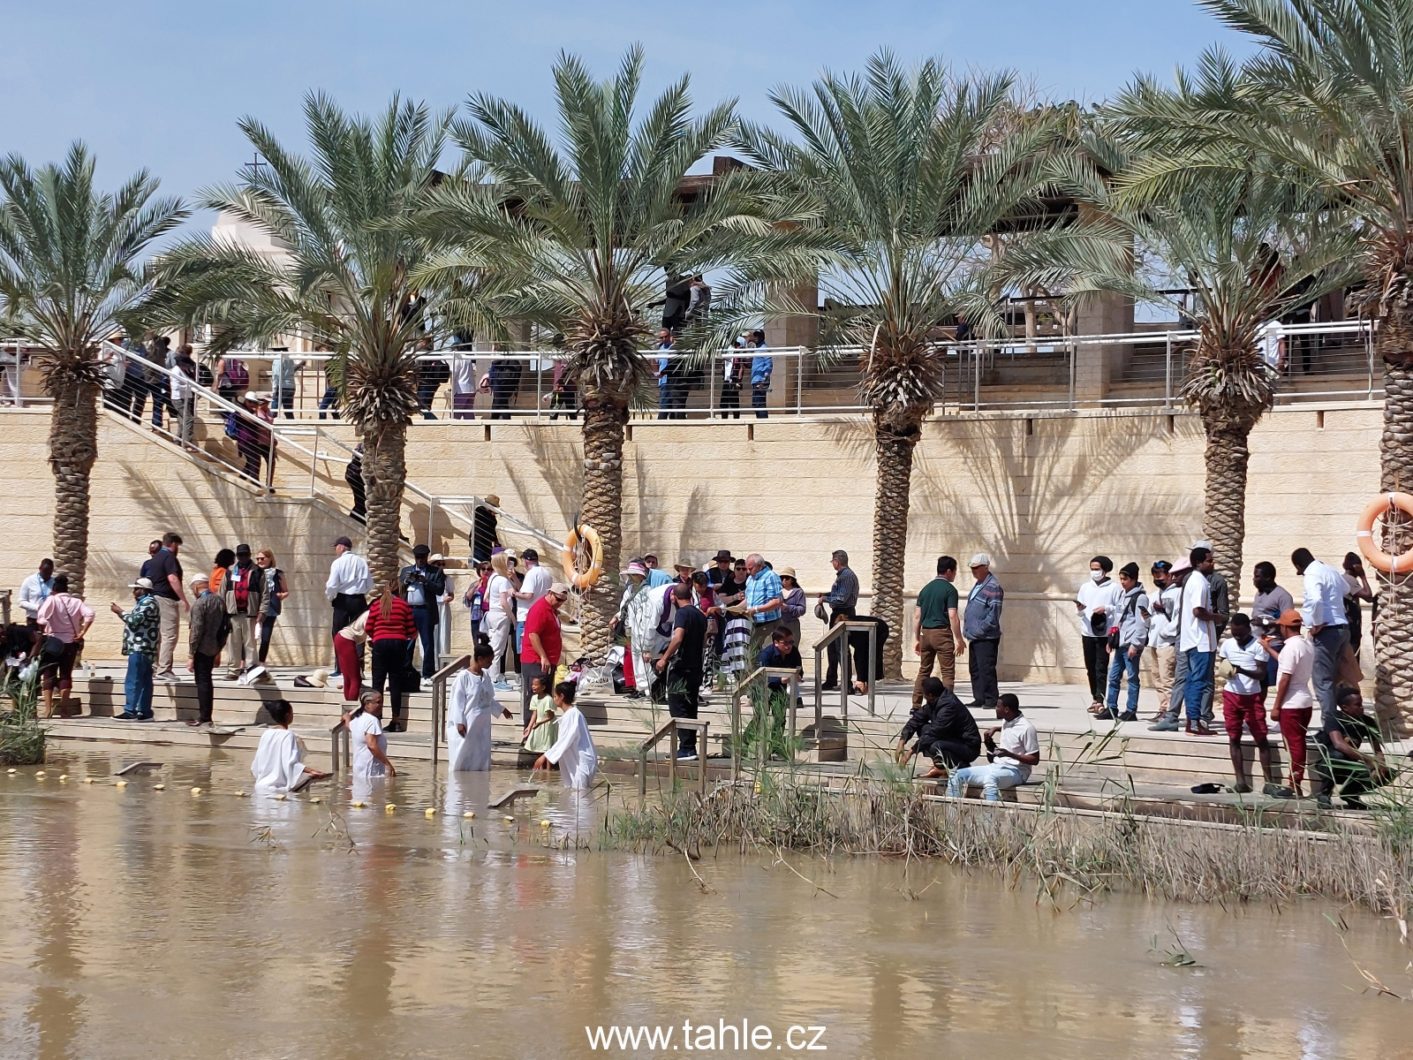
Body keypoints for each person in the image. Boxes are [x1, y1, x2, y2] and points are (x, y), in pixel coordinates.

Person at [1217, 613, 1285, 795]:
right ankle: (1240, 781)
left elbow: (1261, 674)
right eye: (1234, 633)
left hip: (1252, 696)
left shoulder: (1258, 646)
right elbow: (1223, 664)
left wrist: (1241, 670)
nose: (1237, 637)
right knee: (1234, 737)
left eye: (1241, 633)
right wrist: (1226, 671)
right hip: (1231, 695)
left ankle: (1269, 781)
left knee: (1261, 737)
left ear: (1248, 629)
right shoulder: (1227, 644)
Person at [1292, 547, 1350, 728]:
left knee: (1322, 682)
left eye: (1298, 569)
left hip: (1326, 631)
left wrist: (1316, 623)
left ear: (1299, 565)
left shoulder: (1312, 574)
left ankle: (1330, 730)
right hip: (1342, 628)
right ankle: (1338, 725)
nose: (1299, 573)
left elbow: (1316, 599)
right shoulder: (1329, 569)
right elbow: (1347, 588)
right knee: (1333, 680)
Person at [946, 694, 1041, 801]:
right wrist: (995, 729)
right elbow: (1013, 730)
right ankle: (951, 815)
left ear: (1006, 709)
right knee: (956, 775)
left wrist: (1009, 754)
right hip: (998, 766)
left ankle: (990, 816)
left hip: (1017, 771)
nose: (995, 709)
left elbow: (1035, 759)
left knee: (990, 779)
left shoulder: (1027, 728)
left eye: (997, 706)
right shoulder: (1007, 720)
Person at [1262, 609, 1315, 797]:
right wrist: (1268, 649)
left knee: (1294, 745)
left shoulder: (1291, 647)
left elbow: (1285, 677)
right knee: (1296, 742)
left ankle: (1294, 783)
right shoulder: (1306, 644)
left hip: (1291, 704)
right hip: (1304, 701)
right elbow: (1286, 663)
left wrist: (1276, 706)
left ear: (1284, 627)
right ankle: (1295, 781)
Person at [1313, 686, 1392, 810]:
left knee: (1389, 773)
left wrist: (1380, 762)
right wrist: (1368, 760)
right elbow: (1339, 744)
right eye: (1357, 705)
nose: (1362, 707)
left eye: (1361, 704)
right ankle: (1324, 793)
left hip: (1352, 764)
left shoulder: (1367, 722)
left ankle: (1350, 795)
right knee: (1337, 756)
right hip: (1328, 763)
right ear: (1345, 708)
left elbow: (1377, 750)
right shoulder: (1334, 718)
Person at [656, 583, 708, 761]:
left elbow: (678, 638)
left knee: (678, 706)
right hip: (696, 667)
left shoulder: (682, 613)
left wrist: (664, 658)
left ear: (673, 597)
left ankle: (686, 748)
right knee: (691, 706)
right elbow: (704, 642)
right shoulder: (700, 615)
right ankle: (690, 747)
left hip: (682, 667)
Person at [35, 572, 94, 718]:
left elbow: (41, 619)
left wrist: (43, 634)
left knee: (48, 675)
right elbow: (90, 614)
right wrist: (81, 633)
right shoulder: (76, 602)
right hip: (70, 643)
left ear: (54, 589)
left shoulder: (52, 600)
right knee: (66, 675)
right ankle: (64, 710)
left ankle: (48, 710)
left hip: (53, 641)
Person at [1179, 546, 1223, 737]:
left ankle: (1193, 720)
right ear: (1198, 562)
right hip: (1200, 640)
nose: (1212, 564)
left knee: (1193, 680)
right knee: (1198, 681)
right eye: (1209, 560)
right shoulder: (1198, 582)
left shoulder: (1197, 580)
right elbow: (1198, 611)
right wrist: (1217, 617)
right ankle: (1195, 723)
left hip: (1196, 640)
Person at [447, 643, 511, 771]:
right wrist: (459, 722)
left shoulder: (485, 676)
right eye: (488, 661)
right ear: (480, 659)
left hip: (482, 725)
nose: (490, 664)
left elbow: (487, 699)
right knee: (462, 756)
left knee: (481, 756)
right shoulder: (463, 677)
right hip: (467, 724)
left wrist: (501, 709)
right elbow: (457, 702)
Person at [1101, 563, 1150, 722]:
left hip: (1130, 644)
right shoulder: (1123, 595)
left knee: (1132, 677)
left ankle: (1131, 709)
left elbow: (1142, 623)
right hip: (1120, 643)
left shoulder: (1140, 597)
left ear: (1134, 579)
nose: (1122, 582)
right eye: (1121, 579)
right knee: (1113, 676)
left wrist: (1136, 644)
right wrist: (1111, 639)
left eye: (1126, 579)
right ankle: (1111, 707)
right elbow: (1117, 618)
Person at [913, 555, 963, 706]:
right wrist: (959, 639)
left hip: (925, 634)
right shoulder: (950, 590)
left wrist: (916, 639)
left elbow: (917, 616)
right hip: (942, 634)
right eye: (954, 571)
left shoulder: (925, 589)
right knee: (947, 672)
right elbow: (953, 616)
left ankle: (916, 705)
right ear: (948, 571)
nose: (954, 574)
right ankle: (945, 706)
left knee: (924, 671)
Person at [1076, 555, 1123, 713]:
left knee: (1101, 667)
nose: (1094, 572)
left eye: (1097, 569)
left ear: (1105, 570)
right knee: (1090, 667)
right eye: (1092, 569)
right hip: (1087, 632)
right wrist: (1081, 610)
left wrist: (1106, 608)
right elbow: (1081, 610)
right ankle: (1094, 697)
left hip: (1105, 633)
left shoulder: (1114, 588)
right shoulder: (1085, 587)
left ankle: (1100, 698)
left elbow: (1120, 609)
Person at [367, 583, 415, 733]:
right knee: (395, 682)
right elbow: (412, 630)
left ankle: (376, 720)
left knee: (377, 682)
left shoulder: (376, 605)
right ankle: (396, 721)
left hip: (380, 643)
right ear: (398, 590)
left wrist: (377, 635)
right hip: (398, 644)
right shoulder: (403, 605)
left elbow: (368, 627)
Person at [251, 700, 328, 794]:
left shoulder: (266, 734)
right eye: (292, 713)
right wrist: (312, 771)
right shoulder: (288, 735)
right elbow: (291, 763)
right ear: (287, 715)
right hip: (277, 789)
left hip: (260, 787)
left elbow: (255, 765)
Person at [911, 679, 981, 780]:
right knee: (923, 729)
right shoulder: (935, 701)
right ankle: (941, 766)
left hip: (968, 746)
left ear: (930, 695)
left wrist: (912, 750)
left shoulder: (948, 706)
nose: (924, 697)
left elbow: (935, 732)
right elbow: (917, 718)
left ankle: (959, 766)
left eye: (924, 694)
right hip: (955, 739)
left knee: (935, 745)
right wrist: (903, 739)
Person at [533, 681, 598, 789]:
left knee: (580, 796)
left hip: (581, 763)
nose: (553, 699)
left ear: (561, 696)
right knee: (572, 794)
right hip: (575, 760)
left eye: (555, 696)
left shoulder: (572, 715)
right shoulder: (570, 714)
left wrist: (545, 756)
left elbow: (565, 740)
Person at [111, 577, 159, 721]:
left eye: (136, 589)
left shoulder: (149, 603)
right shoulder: (145, 603)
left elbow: (135, 620)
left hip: (141, 647)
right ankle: (143, 711)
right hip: (143, 648)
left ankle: (130, 710)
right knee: (144, 680)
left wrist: (120, 611)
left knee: (134, 679)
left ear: (143, 590)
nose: (134, 592)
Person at [521, 581, 568, 724]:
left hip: (547, 661)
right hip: (536, 661)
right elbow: (533, 635)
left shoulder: (551, 610)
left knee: (545, 698)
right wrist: (543, 656)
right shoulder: (540, 609)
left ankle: (542, 732)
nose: (560, 603)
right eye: (558, 599)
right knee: (535, 698)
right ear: (550, 593)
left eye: (563, 601)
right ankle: (529, 733)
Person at [326, 536, 372, 675]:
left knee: (339, 633)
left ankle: (340, 668)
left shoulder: (338, 563)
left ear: (341, 547)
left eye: (336, 547)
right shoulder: (362, 562)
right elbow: (370, 584)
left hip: (342, 600)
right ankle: (358, 668)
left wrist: (331, 597)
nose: (335, 550)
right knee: (359, 633)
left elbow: (332, 584)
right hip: (359, 600)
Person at [400, 544, 447, 680]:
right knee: (408, 642)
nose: (420, 560)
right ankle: (406, 670)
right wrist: (407, 581)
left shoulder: (435, 572)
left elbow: (439, 589)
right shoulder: (406, 570)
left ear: (427, 557)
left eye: (422, 557)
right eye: (417, 558)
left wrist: (425, 581)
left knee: (427, 643)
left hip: (425, 611)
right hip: (409, 610)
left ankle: (427, 673)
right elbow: (399, 587)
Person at [187, 574, 228, 727]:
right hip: (214, 647)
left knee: (202, 682)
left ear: (196, 587)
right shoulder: (219, 601)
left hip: (201, 648)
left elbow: (196, 631)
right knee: (207, 681)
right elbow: (226, 627)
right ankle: (206, 716)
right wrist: (219, 648)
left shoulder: (199, 604)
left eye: (193, 589)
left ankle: (204, 717)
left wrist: (191, 654)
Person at [963, 553, 1003, 710]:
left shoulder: (993, 586)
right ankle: (979, 697)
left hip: (986, 636)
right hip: (975, 636)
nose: (974, 571)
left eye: (976, 568)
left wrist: (980, 629)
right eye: (972, 568)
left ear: (985, 568)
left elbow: (994, 614)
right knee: (975, 668)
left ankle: (991, 698)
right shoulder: (979, 584)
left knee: (986, 668)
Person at [147, 531, 187, 683]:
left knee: (158, 635)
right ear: (174, 544)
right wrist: (184, 599)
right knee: (170, 635)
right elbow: (172, 578)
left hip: (154, 598)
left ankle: (155, 667)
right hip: (166, 599)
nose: (178, 549)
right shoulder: (169, 557)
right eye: (178, 546)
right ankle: (164, 669)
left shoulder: (155, 558)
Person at [817, 550, 860, 691]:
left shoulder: (846, 576)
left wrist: (825, 599)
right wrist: (827, 595)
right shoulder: (842, 576)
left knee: (842, 648)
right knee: (832, 648)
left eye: (833, 561)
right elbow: (838, 594)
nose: (832, 564)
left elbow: (842, 599)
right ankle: (831, 679)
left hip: (844, 614)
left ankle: (847, 683)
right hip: (837, 614)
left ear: (837, 561)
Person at [222, 543, 266, 679]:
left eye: (245, 555)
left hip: (250, 614)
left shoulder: (258, 571)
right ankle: (233, 671)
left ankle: (252, 670)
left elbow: (265, 594)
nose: (243, 558)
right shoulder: (229, 571)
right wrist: (222, 612)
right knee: (233, 644)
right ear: (237, 556)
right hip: (233, 614)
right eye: (240, 555)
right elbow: (222, 592)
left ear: (249, 555)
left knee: (250, 644)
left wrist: (262, 611)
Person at [1251, 560, 1295, 688]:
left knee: (1268, 682)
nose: (1254, 579)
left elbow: (1289, 621)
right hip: (1256, 644)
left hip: (1273, 645)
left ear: (1268, 577)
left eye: (1257, 576)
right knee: (1257, 682)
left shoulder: (1283, 596)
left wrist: (1265, 622)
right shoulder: (1259, 593)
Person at [514, 547, 554, 686]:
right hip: (542, 613)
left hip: (526, 616)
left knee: (525, 649)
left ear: (526, 561)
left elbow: (528, 595)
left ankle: (527, 681)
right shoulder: (547, 573)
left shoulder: (531, 574)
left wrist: (513, 593)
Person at [1147, 561, 1179, 723]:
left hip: (1167, 642)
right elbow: (1148, 618)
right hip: (1154, 641)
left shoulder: (1177, 593)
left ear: (1169, 575)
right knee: (1157, 677)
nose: (1157, 578)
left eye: (1159, 574)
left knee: (1167, 678)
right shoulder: (1153, 595)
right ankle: (1162, 707)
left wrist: (1166, 632)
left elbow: (1178, 618)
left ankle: (1170, 711)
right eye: (1154, 575)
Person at [484, 551, 517, 690]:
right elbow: (504, 602)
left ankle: (491, 676)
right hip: (501, 615)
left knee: (494, 645)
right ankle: (495, 679)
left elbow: (486, 597)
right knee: (498, 649)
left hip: (492, 614)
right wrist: (513, 618)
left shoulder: (493, 578)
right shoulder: (502, 580)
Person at [743, 553, 783, 658]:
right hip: (754, 624)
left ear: (760, 566)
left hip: (769, 624)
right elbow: (748, 600)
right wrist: (736, 608)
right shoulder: (750, 579)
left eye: (750, 568)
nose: (747, 571)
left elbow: (777, 601)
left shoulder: (771, 576)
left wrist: (755, 610)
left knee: (768, 656)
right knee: (753, 657)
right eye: (747, 568)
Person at [348, 689, 396, 778]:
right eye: (378, 702)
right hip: (371, 773)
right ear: (367, 704)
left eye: (382, 702)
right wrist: (387, 764)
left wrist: (347, 718)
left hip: (359, 771)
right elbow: (372, 745)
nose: (381, 705)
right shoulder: (372, 721)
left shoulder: (358, 719)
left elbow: (349, 726)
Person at [255, 548, 286, 664]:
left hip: (271, 608)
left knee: (265, 637)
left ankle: (260, 661)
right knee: (251, 637)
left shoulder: (278, 573)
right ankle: (247, 662)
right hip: (256, 608)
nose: (259, 561)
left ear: (270, 559)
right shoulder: (254, 572)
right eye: (257, 559)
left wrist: (281, 595)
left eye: (262, 558)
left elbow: (286, 591)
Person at [1342, 552, 1375, 657]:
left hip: (1350, 625)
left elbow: (1369, 599)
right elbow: (1368, 596)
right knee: (1353, 659)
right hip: (1351, 626)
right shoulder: (1349, 580)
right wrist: (1363, 576)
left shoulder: (1345, 578)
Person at [333, 610, 368, 702]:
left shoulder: (368, 613)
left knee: (348, 678)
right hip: (346, 639)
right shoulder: (371, 614)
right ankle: (351, 708)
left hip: (341, 637)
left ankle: (348, 707)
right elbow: (370, 631)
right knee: (356, 679)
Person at [522, 673, 559, 755]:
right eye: (532, 684)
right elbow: (534, 714)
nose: (533, 686)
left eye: (536, 685)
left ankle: (548, 767)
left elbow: (551, 716)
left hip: (548, 725)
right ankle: (540, 766)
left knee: (547, 747)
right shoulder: (534, 698)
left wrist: (539, 723)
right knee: (539, 746)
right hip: (539, 725)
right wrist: (529, 726)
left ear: (543, 687)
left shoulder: (548, 699)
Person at [170, 344, 197, 448]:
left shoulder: (187, 370)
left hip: (187, 397)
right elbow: (175, 386)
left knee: (182, 419)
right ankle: (187, 442)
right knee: (188, 419)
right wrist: (189, 386)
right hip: (178, 398)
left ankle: (178, 439)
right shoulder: (176, 370)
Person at [414, 339, 447, 418]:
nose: (418, 343)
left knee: (422, 406)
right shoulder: (434, 353)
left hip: (426, 383)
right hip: (433, 383)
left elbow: (420, 368)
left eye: (420, 341)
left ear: (424, 343)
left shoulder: (423, 353)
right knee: (425, 406)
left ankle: (434, 422)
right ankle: (429, 421)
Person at [18, 558, 54, 628]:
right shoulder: (29, 581)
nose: (46, 575)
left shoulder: (54, 582)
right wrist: (37, 607)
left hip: (50, 620)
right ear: (40, 569)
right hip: (34, 619)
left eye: (49, 573)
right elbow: (21, 602)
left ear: (52, 570)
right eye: (44, 572)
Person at [777, 567, 807, 647]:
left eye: (786, 578)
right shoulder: (777, 591)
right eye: (782, 578)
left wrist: (788, 607)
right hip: (779, 623)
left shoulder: (798, 592)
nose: (784, 580)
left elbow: (802, 609)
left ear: (792, 580)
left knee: (792, 648)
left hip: (792, 624)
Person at [270, 352, 303, 419]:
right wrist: (299, 365)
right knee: (288, 410)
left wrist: (274, 389)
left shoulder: (278, 358)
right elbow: (291, 371)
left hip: (282, 386)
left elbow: (277, 374)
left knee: (274, 409)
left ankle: (271, 424)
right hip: (291, 387)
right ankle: (292, 425)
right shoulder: (289, 358)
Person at [450, 346, 477, 419]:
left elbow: (453, 373)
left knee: (455, 413)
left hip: (461, 390)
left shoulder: (458, 359)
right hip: (471, 388)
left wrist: (451, 386)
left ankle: (454, 429)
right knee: (468, 412)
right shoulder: (468, 359)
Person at [749, 330, 771, 419]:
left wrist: (764, 379)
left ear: (762, 337)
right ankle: (759, 422)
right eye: (755, 336)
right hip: (755, 380)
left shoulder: (764, 348)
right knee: (756, 403)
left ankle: (763, 423)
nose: (756, 338)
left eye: (758, 336)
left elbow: (769, 364)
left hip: (760, 380)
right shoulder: (757, 349)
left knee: (760, 403)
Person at [472, 495, 500, 562]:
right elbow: (485, 521)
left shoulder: (491, 515)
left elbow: (491, 528)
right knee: (480, 563)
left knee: (487, 562)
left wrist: (496, 540)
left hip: (487, 543)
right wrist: (492, 514)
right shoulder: (480, 510)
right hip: (478, 542)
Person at [345, 444, 366, 523]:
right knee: (362, 501)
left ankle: (354, 520)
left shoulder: (361, 445)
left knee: (361, 501)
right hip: (355, 473)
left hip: (353, 472)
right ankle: (354, 521)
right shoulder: (367, 445)